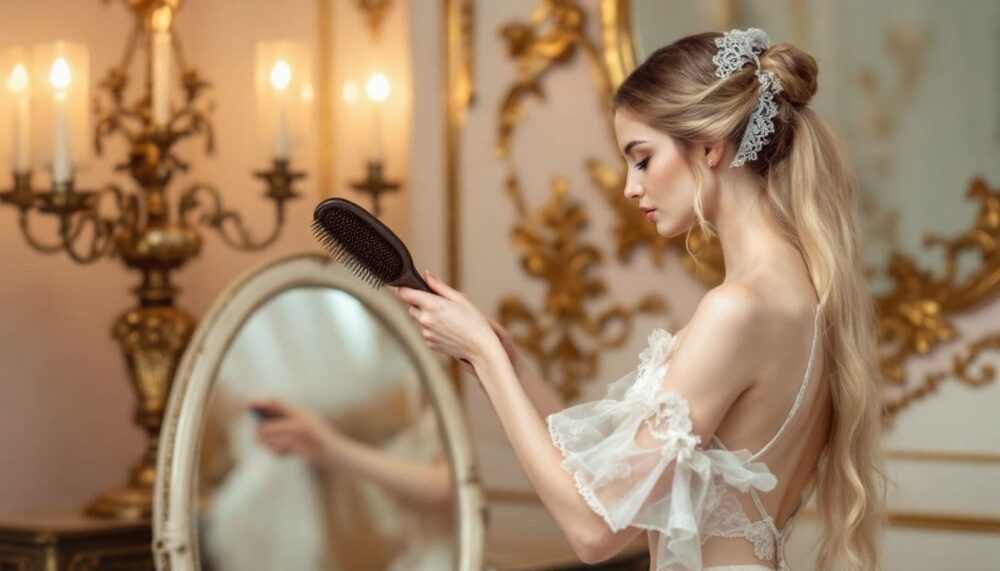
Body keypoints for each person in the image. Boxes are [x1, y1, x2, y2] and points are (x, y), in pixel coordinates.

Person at [394, 28, 887, 571]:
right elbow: (610, 478)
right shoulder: (805, 297)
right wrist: (504, 358)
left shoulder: (737, 311)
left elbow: (595, 529)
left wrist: (488, 362)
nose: (630, 187)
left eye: (642, 158)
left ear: (708, 146)